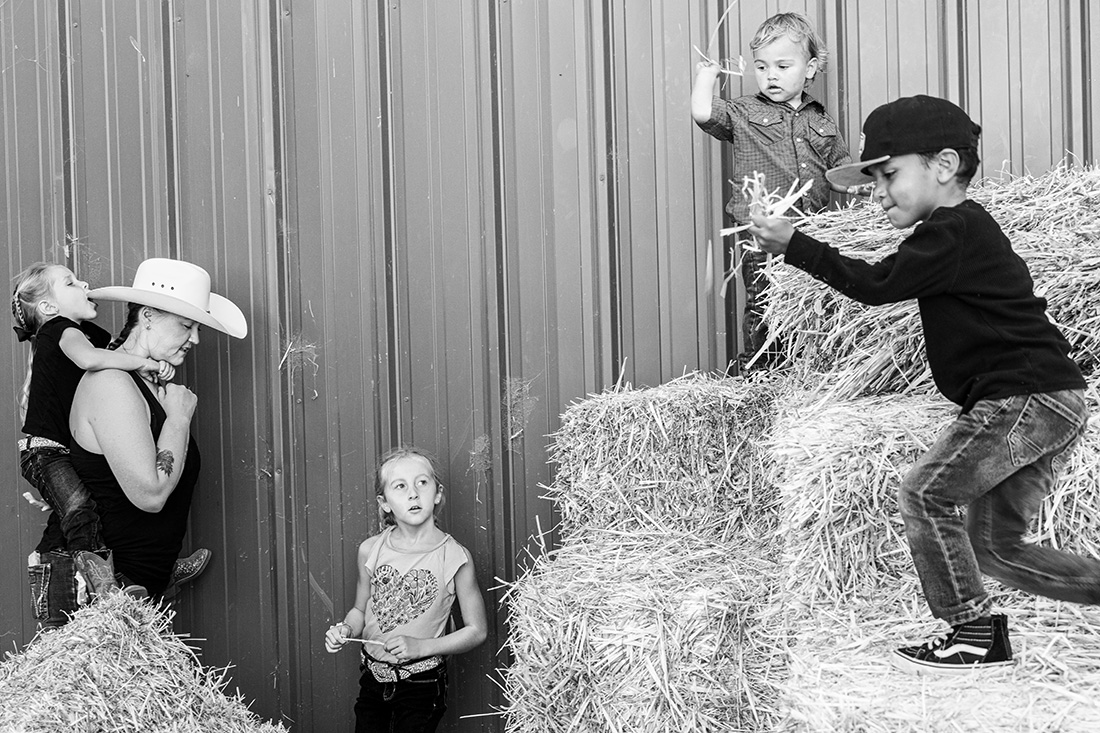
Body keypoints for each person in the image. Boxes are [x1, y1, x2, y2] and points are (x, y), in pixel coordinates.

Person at [747, 94, 1100, 673]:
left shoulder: (953, 229)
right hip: (1043, 398)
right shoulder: (957, 232)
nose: (879, 192)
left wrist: (796, 246)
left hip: (1025, 398)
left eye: (888, 175)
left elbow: (875, 283)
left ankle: (972, 633)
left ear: (941, 165)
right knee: (994, 548)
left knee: (925, 492)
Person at [55, 258, 246, 614]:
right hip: (98, 598)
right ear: (147, 316)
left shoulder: (144, 383)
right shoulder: (112, 383)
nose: (196, 339)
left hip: (135, 595)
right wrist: (179, 418)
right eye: (186, 326)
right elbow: (150, 494)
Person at [691, 11, 852, 371]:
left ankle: (800, 374)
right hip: (763, 237)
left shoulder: (821, 120)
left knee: (807, 310)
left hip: (808, 234)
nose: (771, 75)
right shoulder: (745, 111)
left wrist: (871, 180)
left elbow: (842, 174)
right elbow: (703, 113)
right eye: (762, 67)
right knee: (765, 307)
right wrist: (706, 77)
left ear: (810, 68)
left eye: (782, 66)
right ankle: (759, 376)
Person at [12, 262, 174, 600]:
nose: (83, 283)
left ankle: (156, 566)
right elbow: (91, 360)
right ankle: (103, 582)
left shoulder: (93, 335)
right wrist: (146, 363)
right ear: (48, 307)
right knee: (80, 508)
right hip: (46, 451)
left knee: (98, 498)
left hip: (66, 450)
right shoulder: (60, 328)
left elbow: (115, 357)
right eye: (71, 283)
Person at [324, 446, 488, 732]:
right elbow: (360, 610)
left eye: (422, 483)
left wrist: (422, 646)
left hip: (421, 684)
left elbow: (477, 630)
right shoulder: (370, 550)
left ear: (437, 493)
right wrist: (345, 630)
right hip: (373, 679)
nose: (413, 493)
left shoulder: (455, 557)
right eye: (400, 486)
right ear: (384, 502)